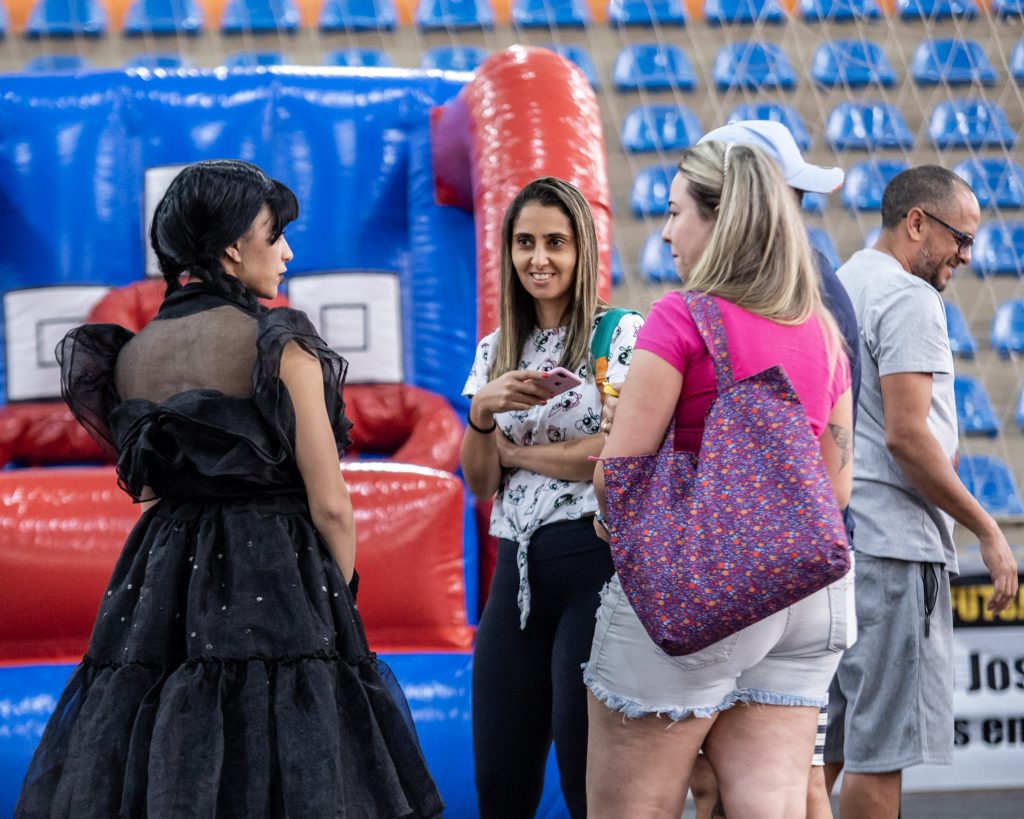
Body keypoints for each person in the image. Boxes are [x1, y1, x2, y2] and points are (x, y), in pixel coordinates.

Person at [15, 159, 443, 818]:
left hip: (160, 585)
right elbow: (330, 501)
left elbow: (152, 493)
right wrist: (337, 603)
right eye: (275, 235)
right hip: (279, 575)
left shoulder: (130, 358)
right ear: (231, 247)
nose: (287, 252)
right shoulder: (280, 346)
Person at [584, 140, 854, 819]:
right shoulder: (821, 329)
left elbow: (618, 477)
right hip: (807, 600)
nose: (668, 231)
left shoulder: (684, 315)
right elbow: (835, 489)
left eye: (676, 213)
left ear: (720, 218)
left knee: (632, 807)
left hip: (704, 591)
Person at [824, 166, 1019, 818]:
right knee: (879, 754)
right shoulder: (910, 297)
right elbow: (910, 438)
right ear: (916, 223)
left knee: (825, 752)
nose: (967, 255)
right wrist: (987, 528)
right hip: (894, 548)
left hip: (845, 540)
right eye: (960, 238)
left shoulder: (843, 283)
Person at [685, 119, 859, 819]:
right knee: (768, 779)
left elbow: (830, 450)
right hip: (804, 560)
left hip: (772, 563)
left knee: (776, 779)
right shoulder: (802, 290)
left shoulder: (801, 285)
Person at [460, 176, 643, 818]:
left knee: (586, 783)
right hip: (514, 572)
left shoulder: (620, 334)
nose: (539, 258)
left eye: (556, 243)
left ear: (582, 252)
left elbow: (611, 457)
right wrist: (483, 412)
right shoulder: (494, 350)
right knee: (500, 783)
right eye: (526, 242)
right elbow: (481, 482)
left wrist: (517, 453)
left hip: (593, 567)